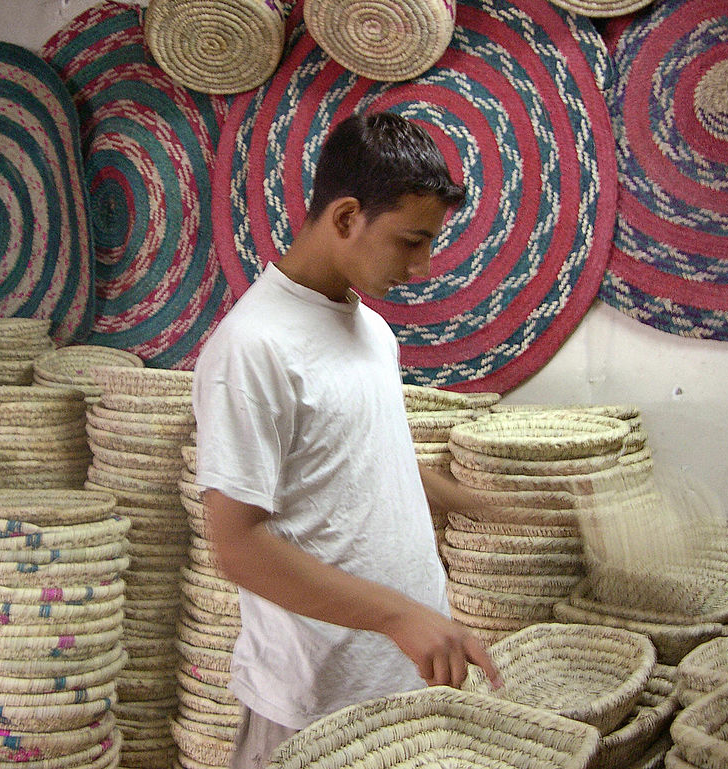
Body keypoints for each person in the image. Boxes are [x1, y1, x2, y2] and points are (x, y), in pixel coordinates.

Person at [191, 111, 503, 769]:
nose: (422, 265)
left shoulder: (374, 333)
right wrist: (397, 615)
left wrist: (486, 504)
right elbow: (237, 545)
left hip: (397, 678)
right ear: (345, 217)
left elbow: (369, 458)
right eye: (410, 241)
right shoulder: (254, 347)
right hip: (311, 699)